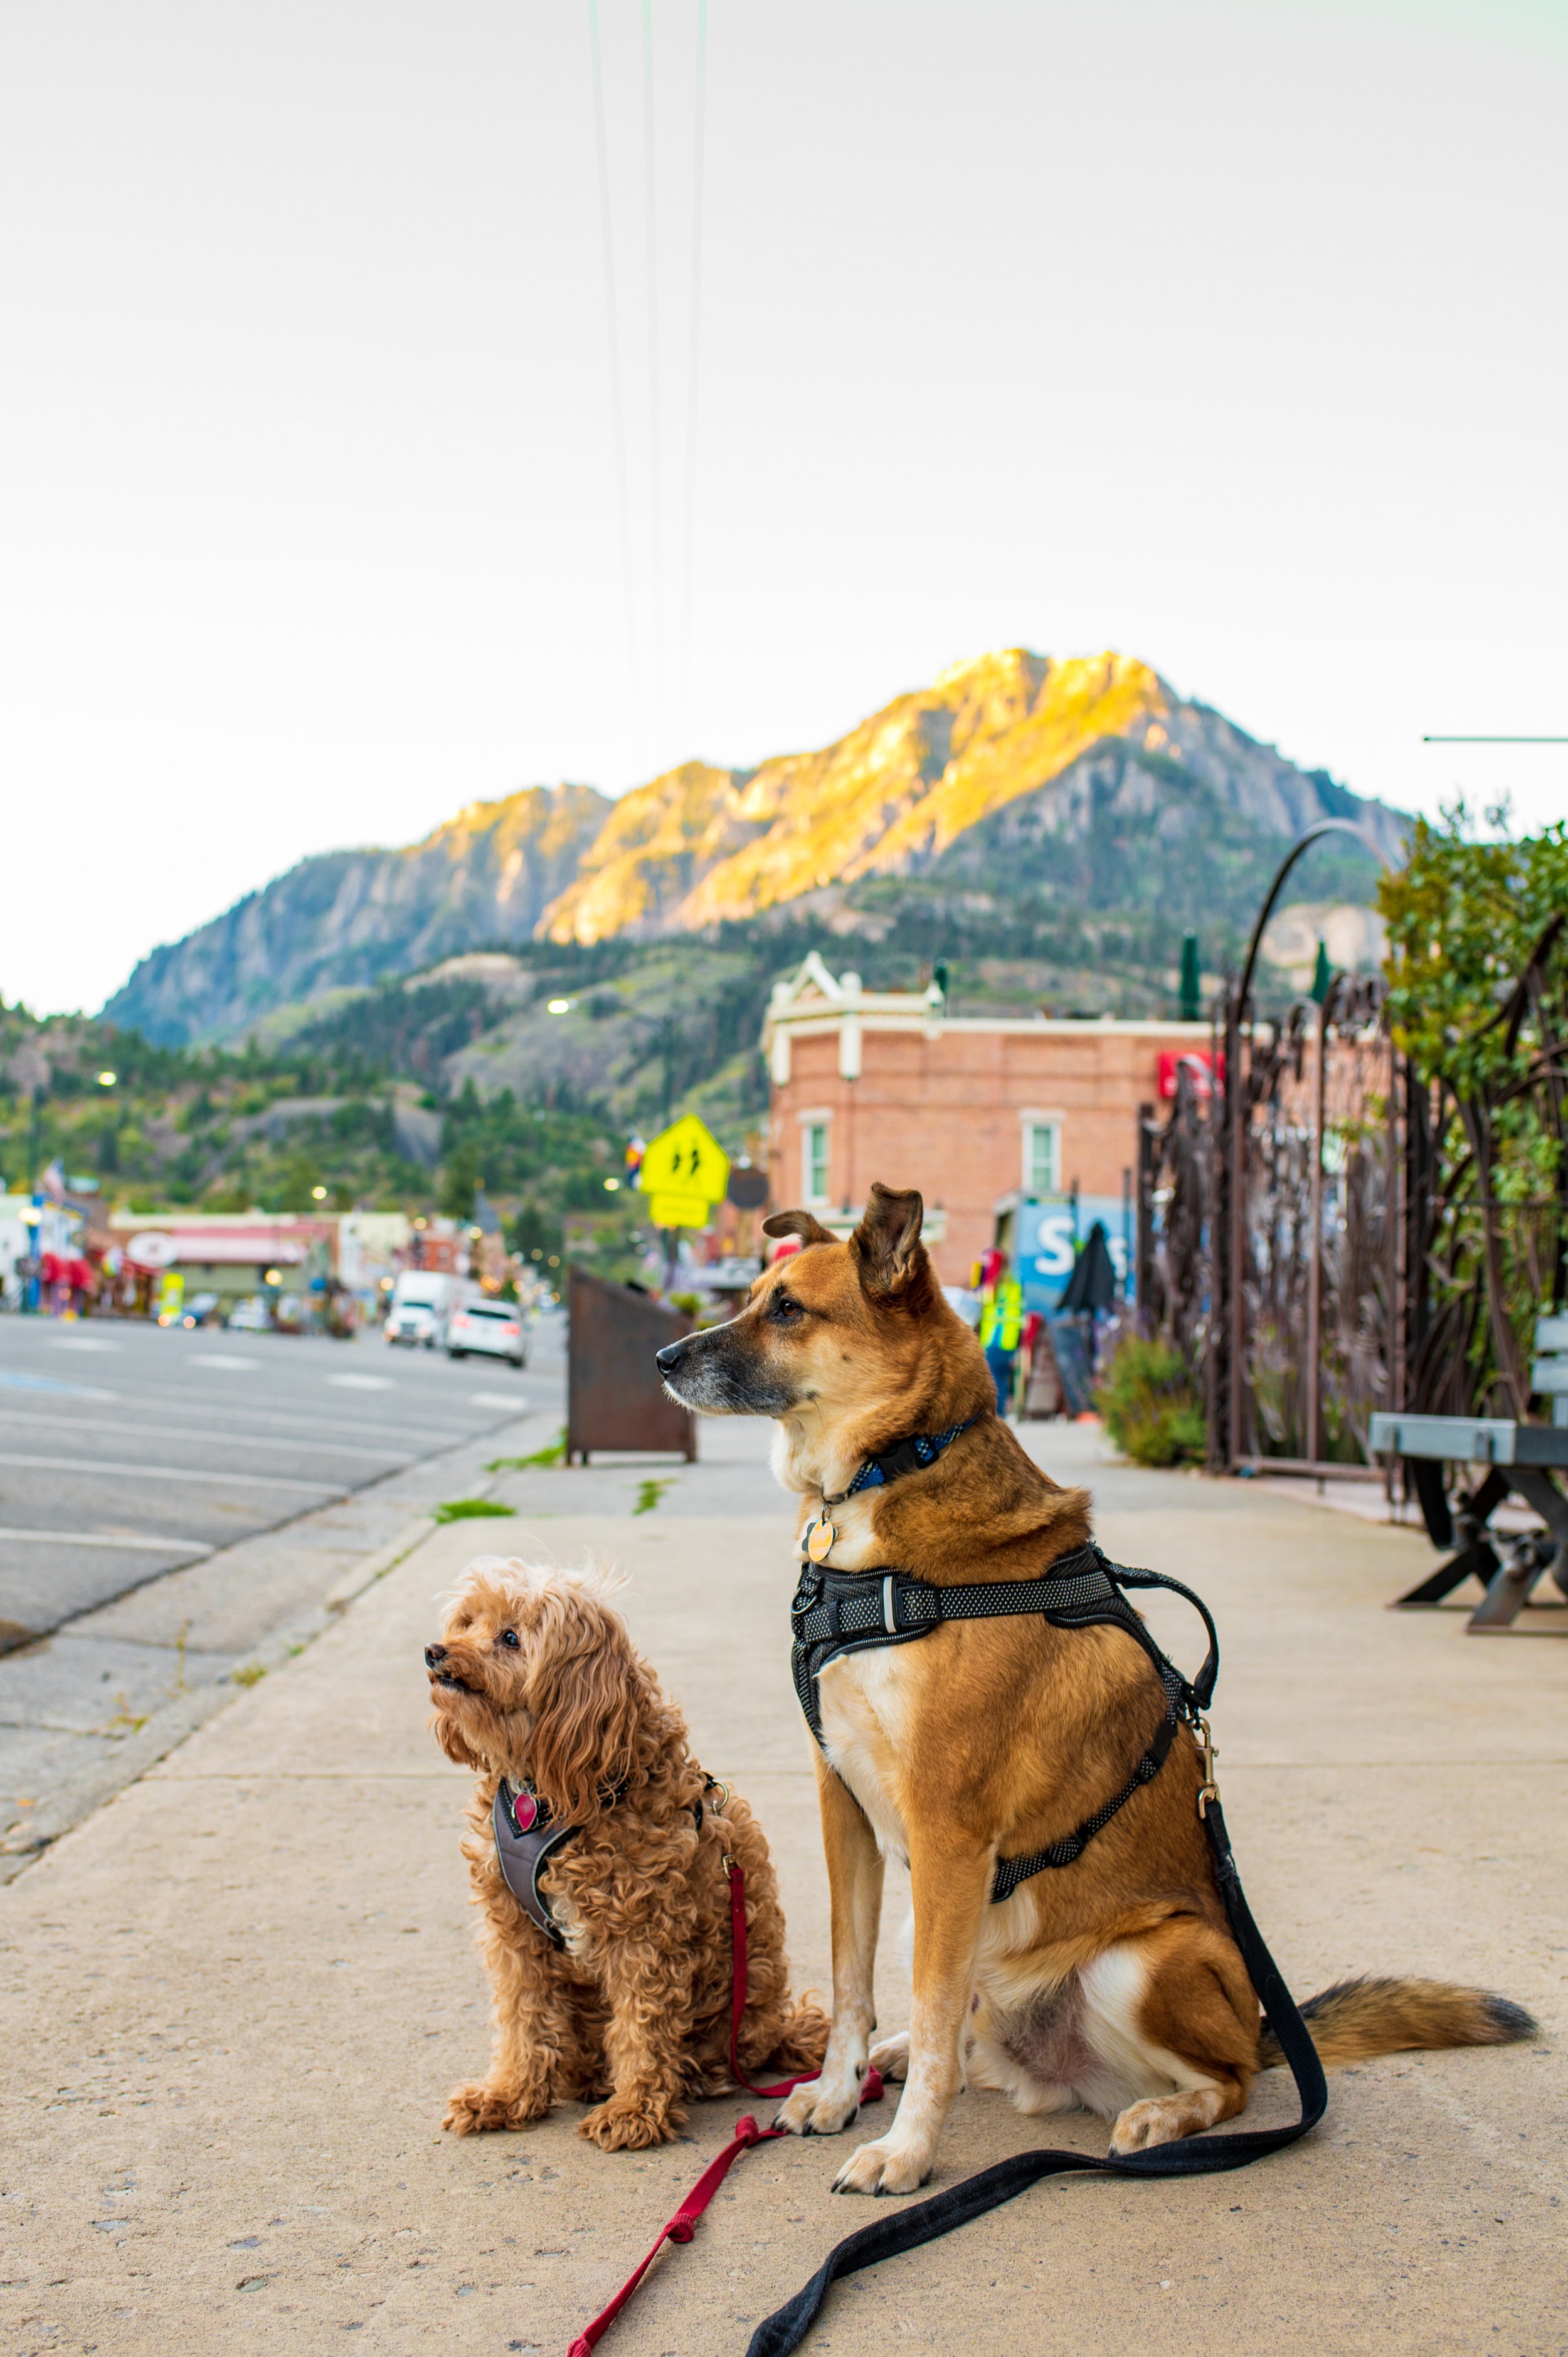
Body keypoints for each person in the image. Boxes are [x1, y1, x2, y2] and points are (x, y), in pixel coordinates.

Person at [977, 1251, 1024, 1415]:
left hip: (995, 1338)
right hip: (1009, 1340)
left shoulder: (994, 1287)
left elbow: (981, 1297)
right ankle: (1001, 1413)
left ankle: (994, 1413)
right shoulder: (1015, 1285)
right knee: (1002, 1378)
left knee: (992, 1378)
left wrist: (981, 1271)